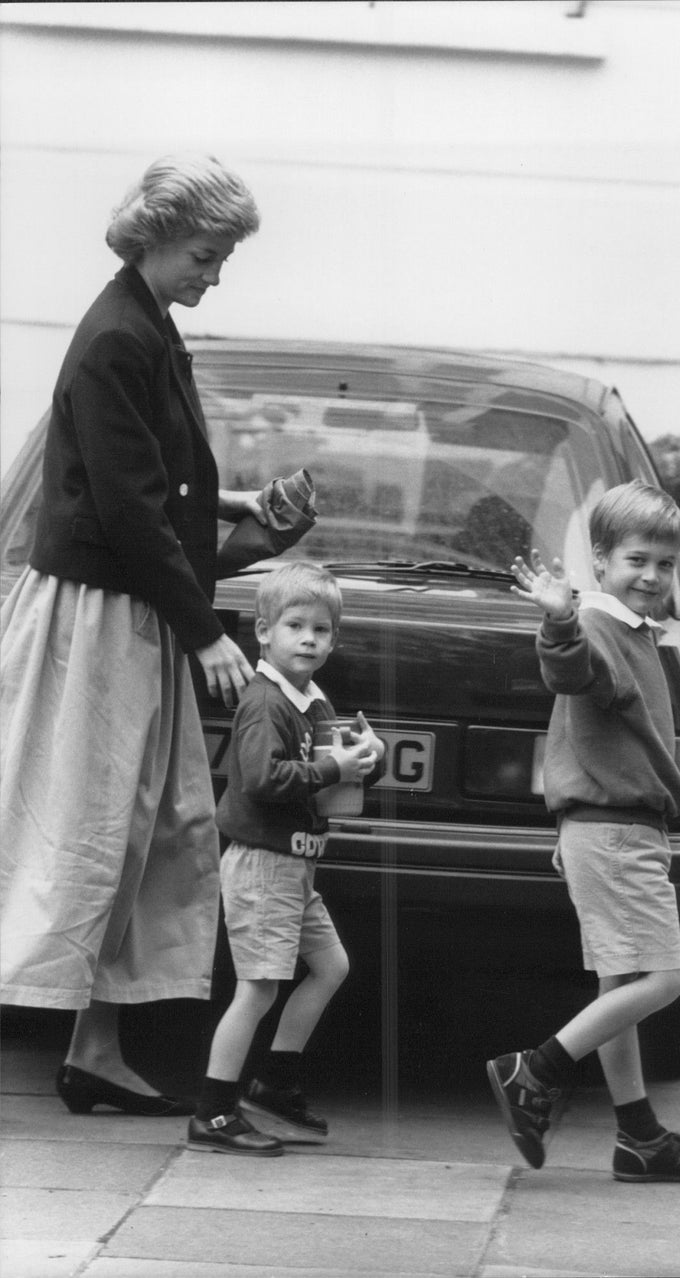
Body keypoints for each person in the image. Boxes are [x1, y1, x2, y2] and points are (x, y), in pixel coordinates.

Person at [0, 154, 267, 1116]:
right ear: (154, 237)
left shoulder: (140, 323)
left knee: (133, 828)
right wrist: (206, 636)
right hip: (98, 618)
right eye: (206, 253)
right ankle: (88, 1045)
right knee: (81, 828)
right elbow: (124, 506)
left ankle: (94, 1048)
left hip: (122, 610)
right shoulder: (120, 336)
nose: (215, 273)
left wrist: (235, 504)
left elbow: (147, 479)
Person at [486, 480, 680, 1184]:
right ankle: (536, 1069)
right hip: (615, 833)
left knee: (619, 983)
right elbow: (571, 675)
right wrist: (558, 620)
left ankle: (639, 1138)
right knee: (664, 979)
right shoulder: (595, 625)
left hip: (610, 827)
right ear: (602, 559)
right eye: (636, 560)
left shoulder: (634, 629)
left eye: (663, 563)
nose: (650, 575)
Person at [187, 561, 385, 1155]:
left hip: (297, 868)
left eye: (321, 630)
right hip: (263, 865)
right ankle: (214, 1111)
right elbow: (259, 780)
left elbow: (331, 787)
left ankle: (273, 1084)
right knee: (259, 988)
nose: (308, 639)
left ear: (334, 639)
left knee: (331, 967)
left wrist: (362, 762)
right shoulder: (266, 701)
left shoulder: (313, 702)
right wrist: (332, 768)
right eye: (295, 626)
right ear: (262, 631)